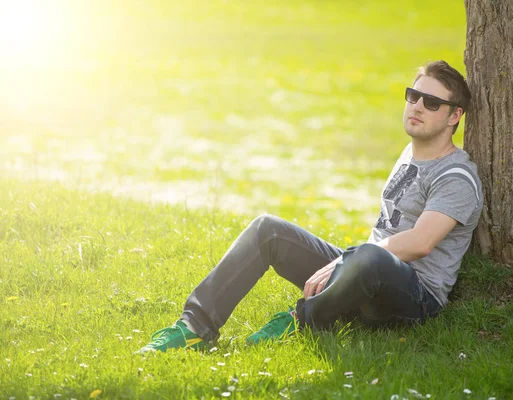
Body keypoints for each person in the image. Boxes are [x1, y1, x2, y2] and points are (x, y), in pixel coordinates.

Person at [136, 60, 482, 353]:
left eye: (432, 103)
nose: (417, 106)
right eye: (413, 95)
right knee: (267, 229)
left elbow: (421, 243)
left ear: (455, 116)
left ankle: (302, 319)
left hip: (413, 298)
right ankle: (195, 327)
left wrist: (346, 260)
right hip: (363, 269)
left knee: (369, 256)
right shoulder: (412, 152)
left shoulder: (456, 176)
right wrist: (345, 262)